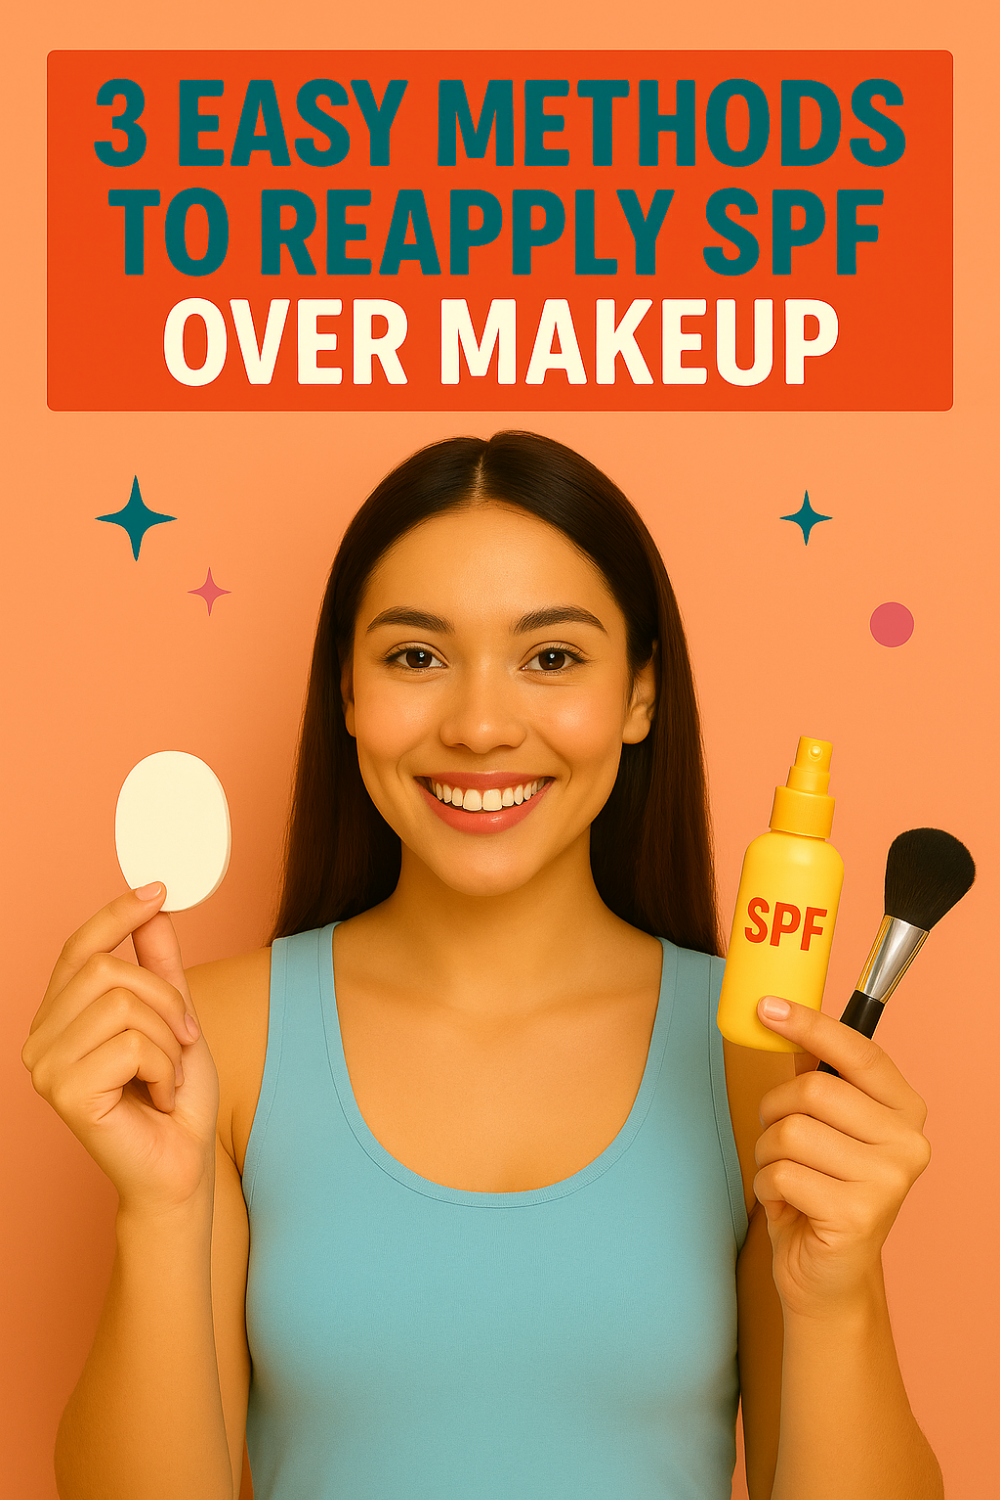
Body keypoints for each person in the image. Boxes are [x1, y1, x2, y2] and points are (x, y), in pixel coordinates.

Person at [22, 431, 943, 1500]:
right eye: (416, 657)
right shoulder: (213, 1044)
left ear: (642, 694)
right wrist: (159, 1207)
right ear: (347, 694)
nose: (480, 725)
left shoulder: (754, 1066)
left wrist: (840, 1296)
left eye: (551, 657)